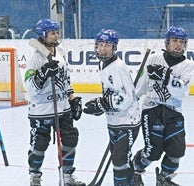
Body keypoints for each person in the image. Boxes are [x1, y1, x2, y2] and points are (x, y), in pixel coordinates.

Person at [24, 18, 85, 186]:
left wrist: (72, 99)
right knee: (39, 145)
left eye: (57, 32)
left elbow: (66, 79)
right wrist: (42, 75)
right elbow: (30, 87)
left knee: (70, 139)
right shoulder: (35, 58)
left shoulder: (61, 52)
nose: (56, 35)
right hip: (41, 110)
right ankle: (35, 177)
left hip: (63, 108)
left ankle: (66, 177)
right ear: (43, 35)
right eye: (52, 33)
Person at [132, 26, 194, 186]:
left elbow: (181, 90)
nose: (178, 44)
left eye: (181, 41)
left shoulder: (188, 65)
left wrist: (166, 76)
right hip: (152, 110)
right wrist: (133, 101)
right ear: (167, 42)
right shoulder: (154, 58)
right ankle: (135, 170)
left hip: (173, 112)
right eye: (174, 40)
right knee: (153, 151)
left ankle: (164, 178)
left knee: (177, 151)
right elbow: (142, 83)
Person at [83, 29, 141, 186]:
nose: (103, 48)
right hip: (114, 121)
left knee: (119, 160)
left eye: (107, 45)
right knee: (123, 158)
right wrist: (101, 106)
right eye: (100, 45)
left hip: (127, 122)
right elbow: (112, 94)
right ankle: (132, 182)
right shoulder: (104, 64)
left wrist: (101, 103)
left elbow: (128, 97)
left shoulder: (118, 67)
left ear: (114, 47)